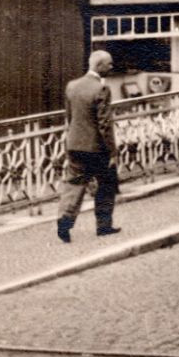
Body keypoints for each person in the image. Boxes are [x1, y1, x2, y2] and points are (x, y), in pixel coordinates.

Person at [56, 50, 120, 242]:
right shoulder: (101, 89)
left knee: (74, 184)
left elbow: (70, 117)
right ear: (99, 66)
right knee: (106, 184)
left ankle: (64, 220)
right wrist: (112, 151)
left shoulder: (72, 86)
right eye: (109, 64)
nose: (111, 67)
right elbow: (105, 124)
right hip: (97, 148)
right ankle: (104, 226)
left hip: (75, 144)